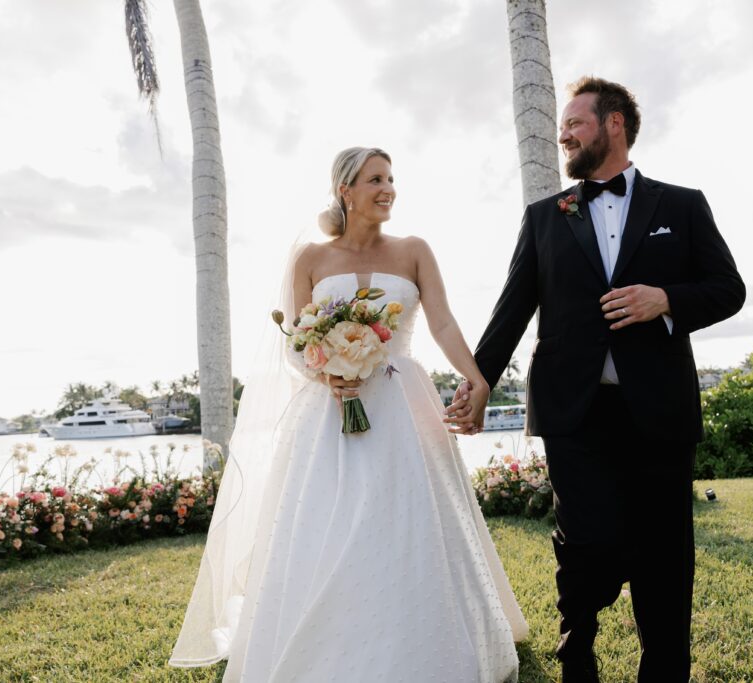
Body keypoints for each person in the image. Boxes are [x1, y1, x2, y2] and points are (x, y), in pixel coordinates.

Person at [170, 147, 527, 682]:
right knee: (330, 523)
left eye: (391, 178)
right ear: (346, 189)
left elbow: (444, 324)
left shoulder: (414, 250)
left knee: (409, 517)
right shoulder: (310, 259)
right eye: (375, 179)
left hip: (402, 401)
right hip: (328, 409)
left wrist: (475, 378)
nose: (388, 188)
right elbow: (295, 338)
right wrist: (325, 372)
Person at [447, 76, 745, 682]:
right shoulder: (544, 217)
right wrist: (477, 381)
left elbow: (728, 290)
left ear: (613, 124)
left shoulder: (682, 205)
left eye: (574, 123)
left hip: (659, 410)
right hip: (574, 412)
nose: (563, 134)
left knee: (665, 558)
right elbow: (511, 311)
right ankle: (576, 642)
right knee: (590, 542)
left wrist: (666, 298)